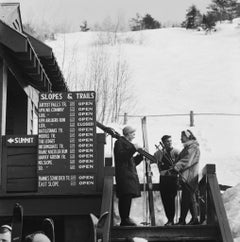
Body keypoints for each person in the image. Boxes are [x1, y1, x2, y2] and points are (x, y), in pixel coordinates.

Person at [114, 125, 143, 226]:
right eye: (133, 133)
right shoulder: (119, 143)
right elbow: (121, 157)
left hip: (127, 175)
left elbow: (131, 161)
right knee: (125, 197)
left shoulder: (124, 144)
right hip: (124, 175)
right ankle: (124, 218)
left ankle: (125, 218)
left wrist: (140, 157)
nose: (134, 135)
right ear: (128, 134)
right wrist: (133, 149)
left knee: (127, 196)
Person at [174, 129, 200, 225]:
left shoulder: (193, 148)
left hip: (190, 176)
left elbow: (187, 160)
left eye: (182, 137)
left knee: (187, 198)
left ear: (188, 137)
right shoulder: (187, 148)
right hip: (186, 176)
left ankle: (184, 220)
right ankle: (193, 218)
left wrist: (177, 166)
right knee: (188, 198)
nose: (181, 139)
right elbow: (181, 159)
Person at [153, 135, 179, 226]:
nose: (169, 142)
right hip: (163, 178)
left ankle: (172, 219)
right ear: (163, 143)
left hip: (172, 178)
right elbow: (151, 160)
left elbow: (182, 163)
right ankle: (169, 219)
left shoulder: (176, 152)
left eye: (170, 141)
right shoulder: (158, 153)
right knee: (165, 199)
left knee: (171, 199)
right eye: (167, 141)